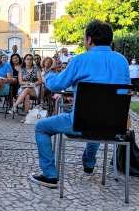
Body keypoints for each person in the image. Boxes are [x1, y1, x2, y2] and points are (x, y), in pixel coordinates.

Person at [29, 20, 130, 188]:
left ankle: (49, 175)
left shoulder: (80, 60)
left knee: (41, 127)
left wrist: (49, 72)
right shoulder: (122, 61)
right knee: (98, 117)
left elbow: (55, 86)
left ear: (89, 40)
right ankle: (89, 164)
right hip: (114, 127)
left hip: (81, 125)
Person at [9, 54, 42, 122]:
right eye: (27, 59)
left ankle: (14, 106)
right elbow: (20, 82)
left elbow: (40, 81)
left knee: (27, 89)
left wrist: (33, 84)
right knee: (26, 96)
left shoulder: (36, 69)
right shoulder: (22, 70)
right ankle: (27, 116)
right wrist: (27, 83)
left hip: (34, 88)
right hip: (23, 88)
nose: (29, 61)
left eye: (30, 59)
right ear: (24, 60)